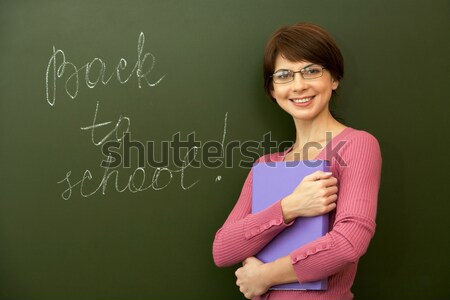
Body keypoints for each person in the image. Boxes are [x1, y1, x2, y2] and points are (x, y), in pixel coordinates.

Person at [212, 22, 382, 300]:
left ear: (334, 78)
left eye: (312, 71)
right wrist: (289, 208)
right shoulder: (266, 166)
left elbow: (349, 243)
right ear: (272, 89)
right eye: (284, 75)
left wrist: (266, 276)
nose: (299, 85)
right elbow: (223, 250)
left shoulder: (357, 145)